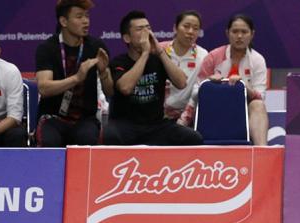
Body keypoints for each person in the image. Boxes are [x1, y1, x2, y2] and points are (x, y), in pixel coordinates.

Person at [104, 10, 202, 146]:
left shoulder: (158, 58)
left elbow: (181, 83)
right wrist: (145, 53)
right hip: (126, 125)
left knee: (193, 138)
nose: (147, 33)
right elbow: (125, 88)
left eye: (148, 28)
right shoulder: (119, 62)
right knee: (110, 136)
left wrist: (160, 52)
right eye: (140, 29)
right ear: (127, 38)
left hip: (156, 125)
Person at [35, 0, 112, 147]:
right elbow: (44, 88)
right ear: (63, 21)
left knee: (88, 139)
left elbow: (110, 91)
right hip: (53, 118)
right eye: (79, 17)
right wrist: (77, 78)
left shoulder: (96, 47)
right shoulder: (47, 48)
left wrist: (103, 73)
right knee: (49, 141)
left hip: (85, 120)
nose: (85, 21)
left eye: (87, 16)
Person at [197, 14, 268, 145]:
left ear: (252, 34)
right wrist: (211, 85)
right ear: (227, 33)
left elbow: (260, 97)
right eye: (235, 31)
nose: (239, 36)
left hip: (243, 113)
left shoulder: (258, 60)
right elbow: (196, 91)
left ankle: (261, 151)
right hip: (214, 110)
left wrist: (245, 88)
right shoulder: (213, 57)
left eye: (244, 32)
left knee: (258, 105)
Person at [159, 10, 208, 126]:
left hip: (187, 117)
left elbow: (197, 93)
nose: (191, 32)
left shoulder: (203, 55)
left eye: (195, 28)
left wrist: (183, 121)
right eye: (186, 26)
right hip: (156, 116)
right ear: (175, 28)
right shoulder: (159, 50)